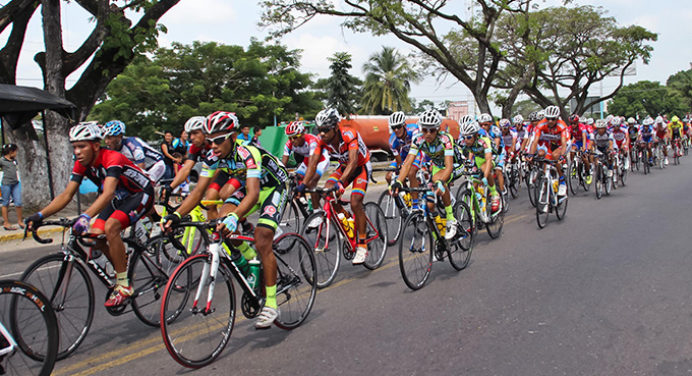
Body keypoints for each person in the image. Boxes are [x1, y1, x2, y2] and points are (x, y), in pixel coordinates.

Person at [162, 111, 288, 329]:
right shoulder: (212, 156)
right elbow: (198, 192)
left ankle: (271, 303)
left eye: (219, 140)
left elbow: (254, 194)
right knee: (220, 223)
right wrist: (176, 214)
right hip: (249, 186)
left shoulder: (248, 152)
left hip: (273, 186)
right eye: (210, 141)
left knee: (262, 238)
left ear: (233, 136)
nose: (213, 146)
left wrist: (235, 216)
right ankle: (250, 264)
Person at [26, 122, 154, 307]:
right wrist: (40, 215)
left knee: (111, 227)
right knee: (93, 235)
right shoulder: (81, 164)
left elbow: (108, 192)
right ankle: (121, 268)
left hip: (141, 194)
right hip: (120, 197)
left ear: (95, 145)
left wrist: (85, 216)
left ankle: (124, 285)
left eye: (81, 146)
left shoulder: (112, 158)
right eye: (74, 147)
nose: (77, 151)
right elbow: (66, 195)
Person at [392, 109, 464, 239]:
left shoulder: (446, 139)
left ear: (438, 129)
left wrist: (441, 182)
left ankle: (450, 218)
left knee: (439, 182)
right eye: (425, 130)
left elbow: (448, 167)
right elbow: (407, 163)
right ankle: (439, 238)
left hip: (455, 165)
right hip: (437, 166)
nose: (428, 134)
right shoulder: (418, 139)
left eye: (432, 130)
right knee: (429, 205)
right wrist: (398, 181)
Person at [314, 108, 372, 264]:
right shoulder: (322, 141)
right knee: (327, 190)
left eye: (325, 130)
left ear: (334, 127)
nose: (322, 134)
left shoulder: (349, 134)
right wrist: (303, 183)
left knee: (355, 202)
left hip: (360, 167)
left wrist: (340, 183)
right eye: (319, 130)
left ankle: (362, 244)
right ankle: (348, 222)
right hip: (343, 166)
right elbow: (313, 162)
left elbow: (353, 162)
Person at [282, 120, 330, 210]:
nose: (292, 140)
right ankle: (305, 201)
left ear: (302, 134)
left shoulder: (312, 141)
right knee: (296, 178)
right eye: (290, 138)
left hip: (321, 159)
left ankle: (316, 210)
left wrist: (304, 184)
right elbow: (282, 164)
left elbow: (312, 165)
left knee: (311, 181)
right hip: (308, 159)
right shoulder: (289, 145)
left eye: (295, 137)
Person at [457, 121, 500, 221]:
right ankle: (474, 219)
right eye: (464, 137)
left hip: (491, 157)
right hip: (478, 159)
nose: (466, 140)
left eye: (469, 137)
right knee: (473, 185)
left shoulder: (483, 141)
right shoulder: (463, 142)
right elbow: (458, 155)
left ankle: (494, 194)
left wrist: (485, 177)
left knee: (485, 169)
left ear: (476, 135)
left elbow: (488, 159)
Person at [102, 120, 167, 184]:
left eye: (109, 138)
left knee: (144, 186)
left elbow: (141, 167)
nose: (106, 142)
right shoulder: (112, 148)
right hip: (144, 166)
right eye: (105, 138)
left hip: (156, 164)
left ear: (120, 136)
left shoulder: (132, 145)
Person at [385, 111, 425, 210]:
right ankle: (406, 194)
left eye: (398, 126)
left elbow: (414, 151)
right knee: (389, 176)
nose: (396, 130)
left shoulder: (414, 130)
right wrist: (400, 168)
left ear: (404, 125)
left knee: (411, 172)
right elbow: (399, 161)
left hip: (417, 153)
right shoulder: (392, 140)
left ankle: (415, 205)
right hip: (404, 155)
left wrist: (405, 167)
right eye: (393, 127)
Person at [527, 105, 569, 196]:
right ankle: (547, 184)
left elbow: (564, 143)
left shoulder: (561, 125)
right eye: (548, 118)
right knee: (546, 162)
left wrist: (562, 156)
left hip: (563, 143)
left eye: (553, 119)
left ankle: (562, 180)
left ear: (557, 118)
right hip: (552, 143)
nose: (550, 121)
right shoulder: (541, 124)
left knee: (555, 156)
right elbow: (535, 141)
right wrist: (530, 154)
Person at [1, 144, 23, 230]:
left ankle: (20, 221)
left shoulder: (14, 160)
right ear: (10, 152)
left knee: (18, 202)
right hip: (6, 184)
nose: (16, 153)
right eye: (15, 151)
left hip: (16, 183)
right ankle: (6, 222)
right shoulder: (2, 160)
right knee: (5, 203)